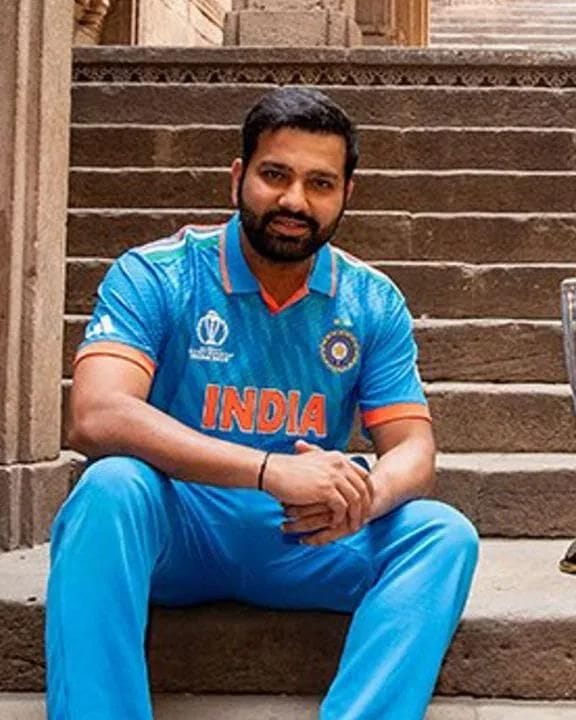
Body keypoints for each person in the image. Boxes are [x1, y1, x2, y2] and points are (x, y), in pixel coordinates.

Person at [46, 86, 479, 720]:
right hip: (177, 526)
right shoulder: (158, 273)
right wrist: (269, 470)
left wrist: (364, 499)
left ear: (346, 194)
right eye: (275, 175)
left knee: (443, 535)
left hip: (305, 532)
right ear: (238, 177)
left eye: (320, 183)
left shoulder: (371, 300)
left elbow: (414, 448)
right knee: (109, 488)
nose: (294, 200)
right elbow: (96, 414)